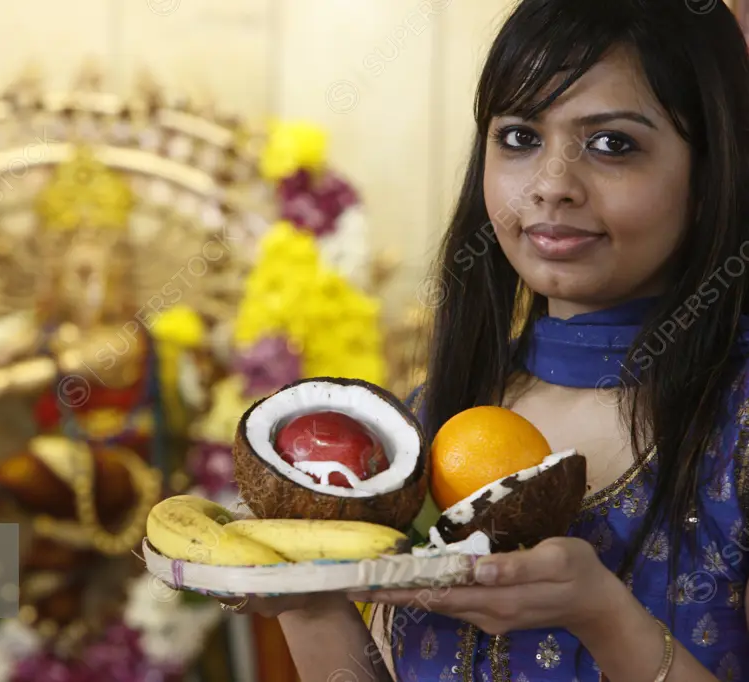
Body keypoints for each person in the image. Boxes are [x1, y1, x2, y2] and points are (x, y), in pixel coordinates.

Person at [216, 0, 749, 679]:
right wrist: (302, 596)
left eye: (612, 143)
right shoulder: (423, 424)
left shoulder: (736, 426)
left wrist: (603, 616)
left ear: (709, 174)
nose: (551, 186)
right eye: (520, 138)